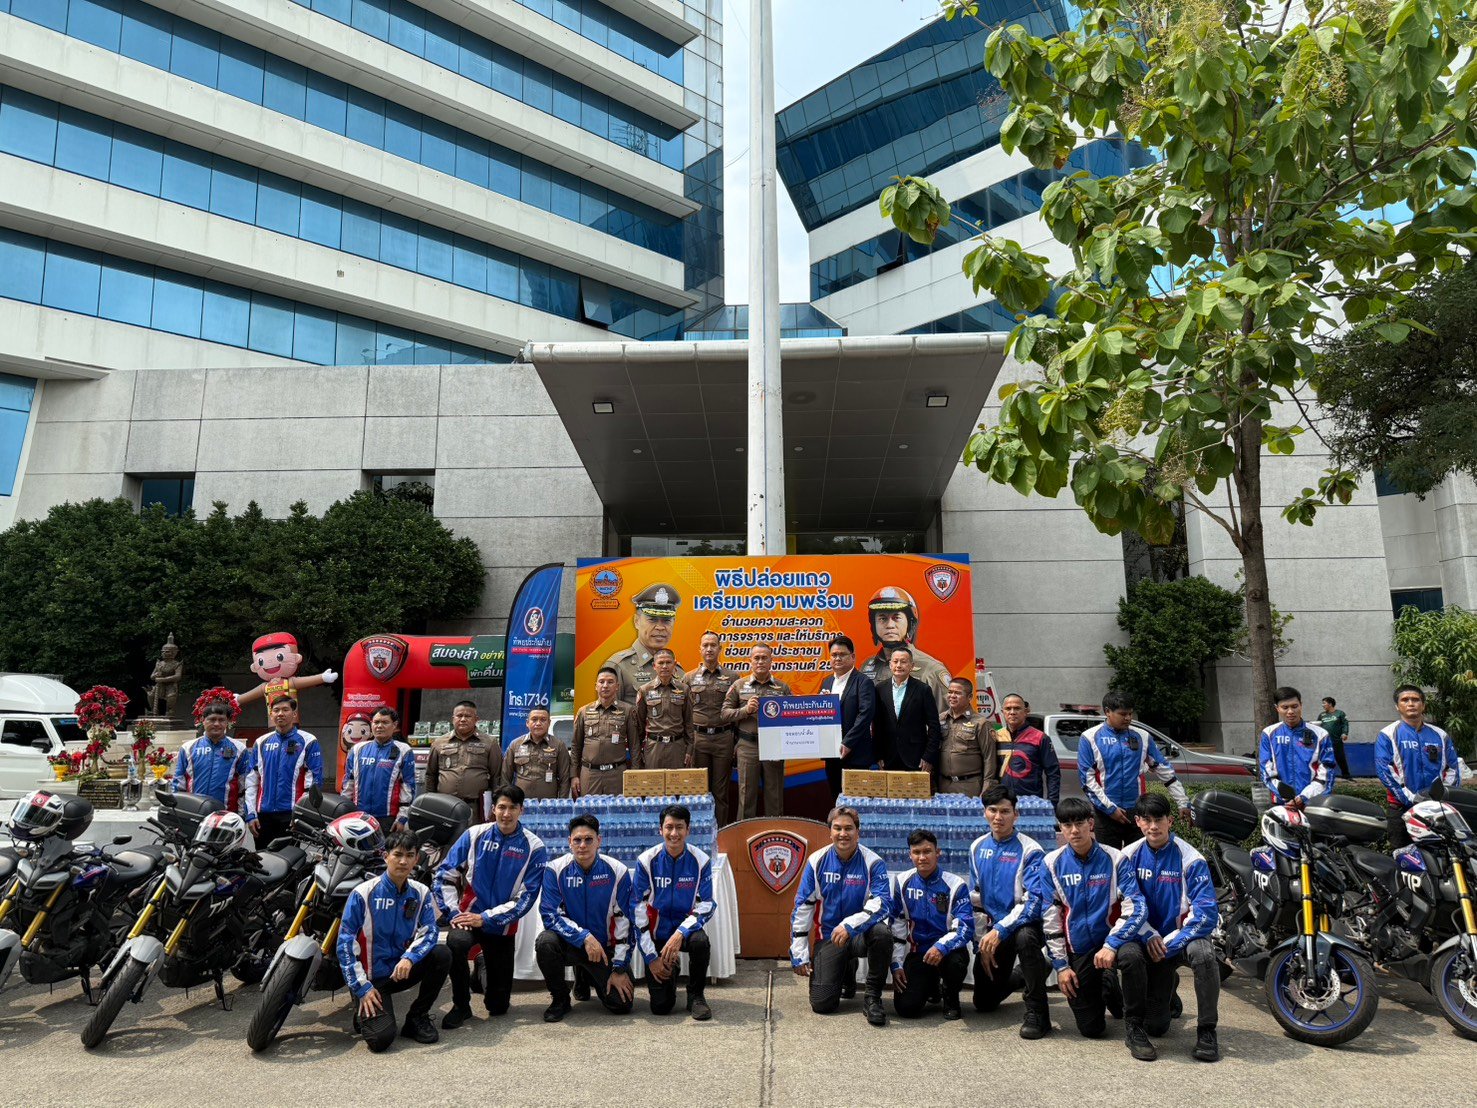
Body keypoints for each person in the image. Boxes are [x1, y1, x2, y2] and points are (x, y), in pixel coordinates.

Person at [1116, 792, 1221, 1062]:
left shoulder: (1191, 858)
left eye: (1159, 819)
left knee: (1204, 954)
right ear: (1138, 822)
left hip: (1176, 942)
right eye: (1147, 820)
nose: (1153, 826)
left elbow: (1206, 913)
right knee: (1157, 1027)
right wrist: (1148, 935)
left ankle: (1207, 1031)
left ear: (1170, 821)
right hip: (1143, 939)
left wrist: (1169, 943)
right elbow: (1127, 906)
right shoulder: (1127, 857)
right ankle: (1136, 1025)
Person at [433, 784, 547, 1030]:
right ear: (492, 809)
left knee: (498, 1007)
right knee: (456, 943)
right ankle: (461, 1005)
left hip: (502, 926)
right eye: (502, 807)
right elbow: (444, 876)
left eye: (512, 808)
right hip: (467, 917)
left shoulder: (535, 846)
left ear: (521, 811)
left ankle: (481, 967)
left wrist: (485, 918)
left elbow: (526, 898)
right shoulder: (474, 834)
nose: (506, 814)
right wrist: (453, 913)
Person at [1036, 798, 1145, 1053]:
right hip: (1080, 948)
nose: (1074, 830)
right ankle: (1107, 984)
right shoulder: (1050, 863)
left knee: (1133, 957)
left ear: (1091, 824)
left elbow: (1136, 906)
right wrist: (1062, 966)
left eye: (1080, 823)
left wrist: (1112, 944)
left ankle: (1136, 1025)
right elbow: (1050, 917)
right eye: (1067, 825)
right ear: (1061, 828)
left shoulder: (1116, 858)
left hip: (1114, 943)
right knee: (1091, 1028)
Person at [336, 827, 450, 1052]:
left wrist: (410, 958)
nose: (403, 861)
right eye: (397, 855)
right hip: (371, 979)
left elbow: (430, 931)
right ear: (385, 856)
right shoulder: (362, 893)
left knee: (442, 954)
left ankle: (417, 1017)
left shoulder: (421, 892)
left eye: (409, 855)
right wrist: (361, 987)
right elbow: (345, 944)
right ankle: (361, 1003)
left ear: (416, 859)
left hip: (401, 970)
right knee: (380, 1040)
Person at [790, 805, 893, 1026]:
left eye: (848, 828)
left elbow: (883, 903)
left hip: (858, 935)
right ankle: (846, 968)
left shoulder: (873, 862)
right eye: (837, 828)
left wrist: (849, 925)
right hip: (828, 937)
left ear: (858, 832)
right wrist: (799, 952)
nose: (843, 834)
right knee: (822, 1004)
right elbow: (803, 906)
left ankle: (872, 998)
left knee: (882, 933)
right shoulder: (816, 861)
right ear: (830, 832)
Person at [969, 784, 1050, 1037]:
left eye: (1005, 811)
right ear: (984, 813)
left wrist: (1000, 930)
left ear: (1016, 814)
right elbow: (976, 901)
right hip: (995, 931)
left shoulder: (1031, 850)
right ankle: (1028, 972)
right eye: (992, 810)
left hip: (1026, 925)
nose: (998, 817)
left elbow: (1033, 902)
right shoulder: (977, 847)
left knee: (1025, 937)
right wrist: (981, 944)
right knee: (983, 1003)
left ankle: (1038, 1012)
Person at [536, 814, 635, 1022]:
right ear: (569, 842)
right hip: (572, 944)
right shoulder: (554, 869)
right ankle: (560, 999)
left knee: (621, 1004)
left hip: (604, 949)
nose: (582, 845)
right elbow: (550, 915)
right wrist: (584, 937)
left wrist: (619, 968)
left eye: (588, 839)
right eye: (577, 840)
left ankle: (585, 974)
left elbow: (626, 921)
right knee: (545, 942)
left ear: (599, 841)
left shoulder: (618, 871)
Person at [631, 804, 715, 1021]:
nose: (674, 833)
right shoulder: (646, 861)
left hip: (684, 932)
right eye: (669, 827)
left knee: (700, 942)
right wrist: (651, 958)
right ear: (660, 830)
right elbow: (637, 910)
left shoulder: (701, 861)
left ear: (688, 830)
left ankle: (696, 995)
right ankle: (671, 967)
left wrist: (680, 934)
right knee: (661, 1007)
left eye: (679, 827)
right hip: (656, 934)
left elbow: (706, 904)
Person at [1078, 692, 1188, 848]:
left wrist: (1183, 802)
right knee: (1110, 859)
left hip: (1137, 812)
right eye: (1123, 714)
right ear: (1107, 711)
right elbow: (1086, 780)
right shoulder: (1089, 737)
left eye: (1130, 713)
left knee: (1138, 858)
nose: (1128, 718)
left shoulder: (1142, 736)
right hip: (1105, 814)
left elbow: (1165, 772)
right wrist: (1110, 809)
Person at [890, 829, 973, 1020]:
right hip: (919, 953)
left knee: (956, 962)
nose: (922, 857)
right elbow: (897, 926)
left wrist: (941, 947)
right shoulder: (902, 882)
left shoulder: (956, 884)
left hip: (948, 952)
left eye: (927, 851)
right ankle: (931, 986)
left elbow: (965, 927)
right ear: (910, 855)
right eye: (916, 852)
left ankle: (950, 997)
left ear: (938, 853)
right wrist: (896, 964)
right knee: (906, 1009)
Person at [1376, 685, 1462, 846]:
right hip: (1400, 808)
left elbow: (1452, 769)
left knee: (1439, 855)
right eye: (1405, 700)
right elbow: (1384, 770)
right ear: (1397, 706)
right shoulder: (1387, 734)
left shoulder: (1440, 735)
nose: (1410, 703)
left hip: (1436, 809)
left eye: (1415, 699)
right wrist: (1411, 799)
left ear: (1423, 705)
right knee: (1402, 854)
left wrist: (1440, 799)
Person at [721, 644, 792, 819]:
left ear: (771, 661)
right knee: (746, 797)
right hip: (747, 746)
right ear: (750, 661)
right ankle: (744, 834)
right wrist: (745, 710)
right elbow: (724, 714)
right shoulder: (739, 685)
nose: (760, 661)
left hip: (774, 748)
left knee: (775, 797)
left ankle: (775, 832)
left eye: (764, 658)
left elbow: (793, 718)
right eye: (756, 658)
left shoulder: (782, 688)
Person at [244, 695, 324, 844]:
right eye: (276, 710)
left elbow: (314, 782)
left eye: (285, 709)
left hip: (291, 814)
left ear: (294, 714)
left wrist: (302, 814)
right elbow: (251, 781)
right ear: (271, 714)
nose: (280, 713)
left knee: (289, 857)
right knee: (262, 857)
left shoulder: (309, 740)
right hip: (263, 815)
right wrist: (251, 814)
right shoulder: (261, 742)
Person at [857, 586, 952, 712]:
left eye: (896, 617)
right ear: (873, 625)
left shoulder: (931, 669)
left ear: (910, 622)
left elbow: (950, 716)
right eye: (882, 618)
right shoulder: (867, 667)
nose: (890, 625)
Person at [604, 583, 686, 704]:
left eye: (667, 620)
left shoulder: (678, 671)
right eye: (652, 620)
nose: (660, 627)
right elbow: (609, 712)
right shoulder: (618, 666)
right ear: (636, 621)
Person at [1257, 686, 1337, 809]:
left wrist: (1304, 797)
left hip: (1312, 803)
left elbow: (1327, 772)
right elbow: (1266, 772)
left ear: (1301, 705)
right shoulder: (1268, 734)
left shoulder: (1321, 734)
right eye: (1285, 707)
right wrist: (1286, 796)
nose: (1290, 711)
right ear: (1277, 708)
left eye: (1294, 706)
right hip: (1281, 803)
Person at [688, 631, 739, 821]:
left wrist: (736, 742)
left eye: (713, 645)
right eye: (705, 645)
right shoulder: (689, 678)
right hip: (698, 740)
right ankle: (701, 831)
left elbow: (737, 711)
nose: (709, 649)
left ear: (720, 648)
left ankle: (721, 831)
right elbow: (684, 714)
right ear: (700, 649)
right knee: (699, 791)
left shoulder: (732, 677)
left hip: (723, 740)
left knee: (721, 792)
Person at [820, 634, 876, 801]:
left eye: (842, 654)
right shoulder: (826, 682)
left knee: (856, 803)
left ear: (852, 657)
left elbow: (865, 714)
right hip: (832, 755)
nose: (837, 658)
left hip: (856, 754)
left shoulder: (863, 682)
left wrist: (848, 742)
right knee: (836, 800)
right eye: (834, 655)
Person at [425, 701, 502, 818]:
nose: (463, 719)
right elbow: (430, 775)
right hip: (444, 805)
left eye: (468, 716)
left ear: (476, 719)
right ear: (453, 719)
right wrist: (430, 803)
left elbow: (497, 776)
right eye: (459, 716)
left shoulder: (490, 742)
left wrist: (496, 804)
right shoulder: (439, 742)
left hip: (476, 807)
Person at [873, 646, 943, 774]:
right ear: (890, 664)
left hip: (916, 758)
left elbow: (934, 726)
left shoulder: (923, 690)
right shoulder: (880, 689)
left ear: (912, 665)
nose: (899, 665)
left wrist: (928, 756)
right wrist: (878, 755)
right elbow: (877, 725)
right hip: (888, 758)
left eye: (903, 662)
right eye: (895, 661)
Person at [342, 707, 417, 827]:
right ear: (371, 724)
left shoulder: (404, 750)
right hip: (358, 815)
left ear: (394, 725)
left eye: (385, 722)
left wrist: (402, 818)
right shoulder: (357, 750)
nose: (379, 726)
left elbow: (408, 787)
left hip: (388, 818)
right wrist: (343, 811)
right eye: (376, 722)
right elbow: (348, 784)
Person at [570, 669, 638, 797]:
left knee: (617, 809)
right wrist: (574, 775)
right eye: (601, 682)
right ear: (596, 686)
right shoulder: (584, 711)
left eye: (610, 682)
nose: (605, 685)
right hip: (590, 774)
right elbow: (575, 746)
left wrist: (635, 774)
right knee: (588, 808)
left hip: (617, 774)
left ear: (617, 686)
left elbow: (635, 746)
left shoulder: (628, 710)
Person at [171, 700, 247, 811]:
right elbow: (178, 784)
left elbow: (244, 785)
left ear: (227, 722)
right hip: (194, 812)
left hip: (226, 814)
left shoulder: (239, 749)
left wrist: (242, 814)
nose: (216, 724)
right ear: (203, 720)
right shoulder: (188, 748)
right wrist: (177, 811)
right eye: (212, 719)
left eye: (221, 720)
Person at [938, 677, 1000, 797]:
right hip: (943, 785)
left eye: (957, 693)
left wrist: (986, 788)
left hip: (969, 786)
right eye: (950, 692)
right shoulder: (940, 719)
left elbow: (989, 758)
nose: (952, 696)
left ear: (970, 697)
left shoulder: (981, 723)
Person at [633, 649, 693, 771]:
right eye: (660, 663)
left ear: (674, 665)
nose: (664, 666)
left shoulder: (684, 689)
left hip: (677, 747)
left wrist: (690, 750)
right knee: (653, 782)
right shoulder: (645, 690)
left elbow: (689, 722)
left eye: (668, 662)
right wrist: (638, 752)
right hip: (654, 747)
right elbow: (639, 724)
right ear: (654, 666)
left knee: (676, 782)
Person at [999, 693, 1060, 805]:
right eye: (1008, 708)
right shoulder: (996, 736)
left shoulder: (1040, 737)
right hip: (1001, 803)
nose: (1012, 712)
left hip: (1030, 802)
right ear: (1002, 712)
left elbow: (1053, 773)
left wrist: (1052, 804)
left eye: (1017, 708)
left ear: (1026, 711)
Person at [502, 707, 573, 799]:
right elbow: (505, 776)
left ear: (549, 723)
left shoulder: (559, 745)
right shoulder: (515, 745)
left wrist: (562, 802)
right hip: (520, 802)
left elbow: (565, 778)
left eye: (543, 720)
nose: (538, 723)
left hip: (548, 803)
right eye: (534, 719)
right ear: (527, 723)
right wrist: (506, 799)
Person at [1318, 696, 1352, 779]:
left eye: (1324, 703)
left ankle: (1346, 775)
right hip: (1325, 741)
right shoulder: (1322, 715)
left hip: (1336, 740)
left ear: (1330, 704)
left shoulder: (1340, 713)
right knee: (1323, 758)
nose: (1322, 705)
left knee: (1340, 757)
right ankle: (1323, 776)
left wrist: (1344, 733)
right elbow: (1318, 726)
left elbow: (1345, 724)